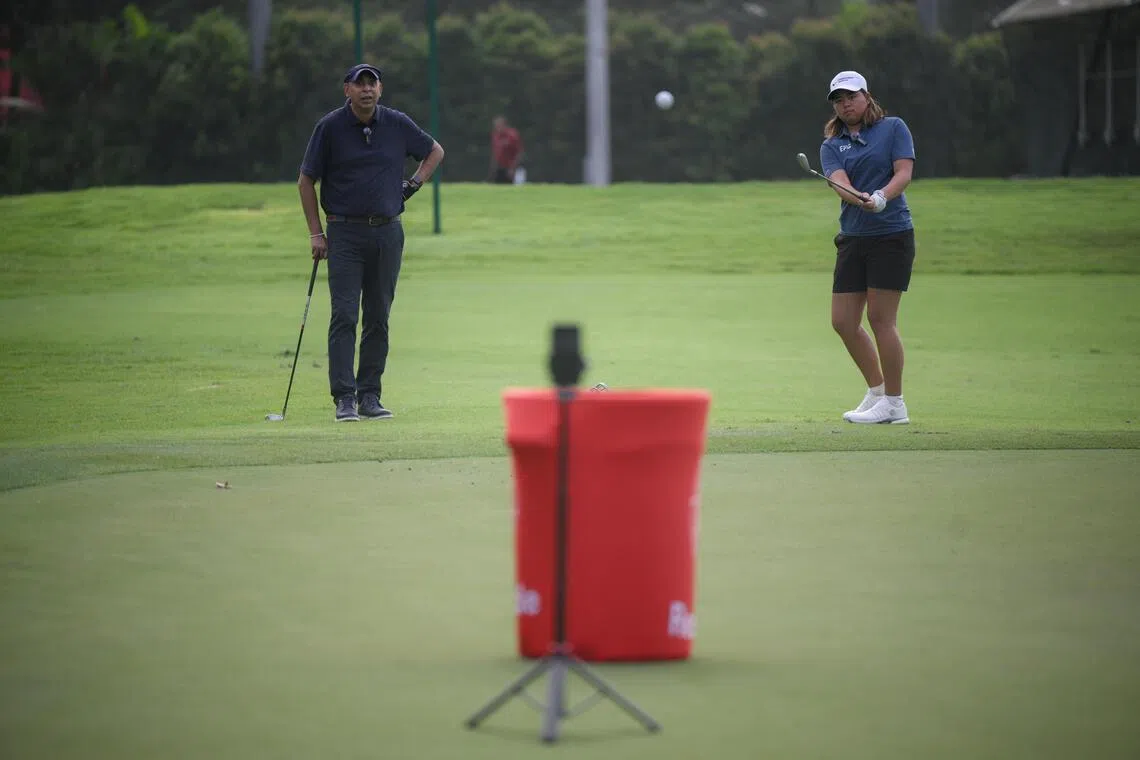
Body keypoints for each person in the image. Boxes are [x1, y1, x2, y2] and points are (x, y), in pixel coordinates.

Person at [298, 62, 445, 422]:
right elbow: (306, 181)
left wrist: (412, 185)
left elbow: (434, 151)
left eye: (372, 83)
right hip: (344, 232)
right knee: (345, 314)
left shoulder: (396, 123)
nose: (366, 89)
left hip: (388, 232)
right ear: (346, 89)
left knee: (378, 316)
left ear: (380, 89)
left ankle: (369, 396)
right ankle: (344, 398)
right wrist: (316, 233)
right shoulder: (330, 128)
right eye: (359, 83)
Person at [818, 70, 916, 425]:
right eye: (838, 100)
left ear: (866, 96)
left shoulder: (893, 128)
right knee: (843, 321)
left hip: (891, 235)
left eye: (851, 97)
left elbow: (903, 172)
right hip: (853, 237)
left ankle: (895, 402)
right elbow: (839, 183)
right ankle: (877, 393)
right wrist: (859, 199)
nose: (845, 105)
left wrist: (881, 197)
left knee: (880, 318)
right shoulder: (832, 145)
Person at [488, 116, 524, 184]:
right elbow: (495, 153)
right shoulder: (495, 136)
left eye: (499, 125)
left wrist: (513, 168)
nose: (497, 128)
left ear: (505, 125)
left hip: (512, 168)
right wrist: (493, 168)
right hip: (500, 168)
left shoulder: (512, 135)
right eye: (496, 126)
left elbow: (519, 152)